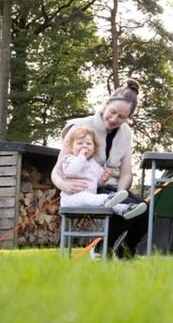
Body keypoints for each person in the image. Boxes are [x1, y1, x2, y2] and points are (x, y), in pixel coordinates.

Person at [51, 79, 148, 256]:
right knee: (128, 205)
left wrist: (120, 192)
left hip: (111, 187)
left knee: (145, 210)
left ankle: (126, 252)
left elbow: (126, 173)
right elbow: (57, 170)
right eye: (113, 112)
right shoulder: (80, 127)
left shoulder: (126, 134)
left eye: (121, 117)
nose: (114, 119)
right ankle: (101, 250)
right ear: (106, 103)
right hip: (87, 187)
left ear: (128, 118)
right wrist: (63, 185)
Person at [57, 125, 146, 219]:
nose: (84, 146)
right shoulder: (69, 159)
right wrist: (81, 157)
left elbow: (95, 184)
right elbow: (71, 172)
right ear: (71, 148)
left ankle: (124, 209)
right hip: (71, 199)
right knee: (100, 198)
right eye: (80, 143)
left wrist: (102, 179)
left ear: (93, 149)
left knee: (109, 204)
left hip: (90, 199)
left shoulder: (93, 164)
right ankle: (109, 198)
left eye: (88, 144)